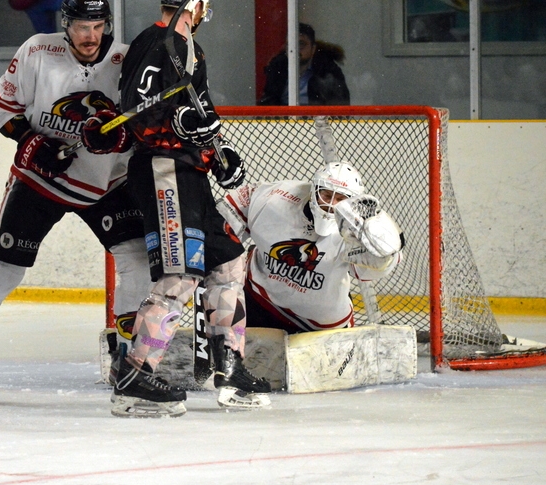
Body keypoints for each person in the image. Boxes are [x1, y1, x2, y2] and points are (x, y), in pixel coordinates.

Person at [103, 0, 271, 418]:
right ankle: (135, 374)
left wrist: (218, 156)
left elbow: (197, 117)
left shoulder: (190, 47)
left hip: (188, 171)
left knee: (229, 260)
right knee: (180, 275)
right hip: (163, 170)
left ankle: (229, 368)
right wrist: (178, 126)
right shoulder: (156, 42)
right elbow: (135, 114)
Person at [0, 0, 151, 370]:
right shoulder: (37, 50)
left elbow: (144, 125)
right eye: (83, 27)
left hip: (107, 184)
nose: (91, 36)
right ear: (66, 25)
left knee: (137, 261)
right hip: (40, 180)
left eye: (98, 27)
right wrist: (31, 142)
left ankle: (126, 362)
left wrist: (122, 140)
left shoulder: (127, 61)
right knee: (4, 271)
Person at [217, 161, 404, 334]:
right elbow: (222, 221)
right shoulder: (273, 199)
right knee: (238, 365)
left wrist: (386, 254)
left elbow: (370, 271)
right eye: (327, 195)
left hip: (322, 325)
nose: (331, 204)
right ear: (314, 190)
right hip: (260, 300)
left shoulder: (360, 231)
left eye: (340, 198)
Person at [259, 23, 350, 106]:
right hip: (283, 121)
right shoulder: (278, 69)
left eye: (301, 44)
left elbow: (340, 107)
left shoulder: (327, 70)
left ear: (313, 48)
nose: (295, 49)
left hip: (317, 121)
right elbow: (267, 103)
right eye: (290, 44)